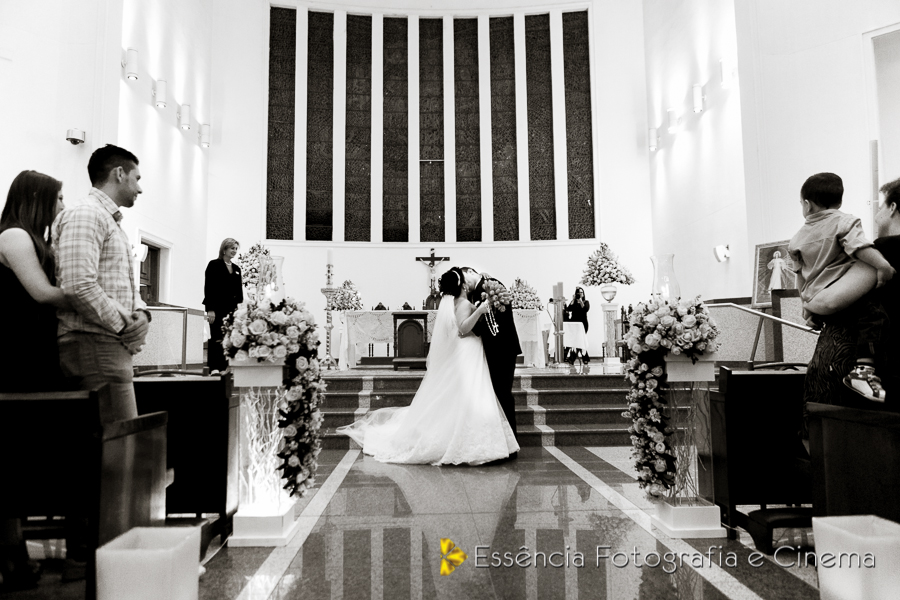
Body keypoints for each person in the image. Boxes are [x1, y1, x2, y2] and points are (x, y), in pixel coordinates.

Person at [337, 267, 519, 465]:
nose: (468, 284)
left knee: (469, 395)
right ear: (462, 284)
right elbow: (463, 329)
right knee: (471, 394)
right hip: (469, 351)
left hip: (471, 352)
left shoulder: (458, 301)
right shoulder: (465, 303)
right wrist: (481, 310)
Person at [0, 170, 72, 590]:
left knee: (21, 458)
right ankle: (11, 554)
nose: (62, 206)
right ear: (37, 198)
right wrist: (89, 293)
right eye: (58, 199)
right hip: (15, 356)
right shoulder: (13, 235)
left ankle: (16, 553)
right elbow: (42, 292)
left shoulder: (37, 237)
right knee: (11, 457)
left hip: (36, 353)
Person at [53, 144, 152, 423]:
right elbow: (79, 285)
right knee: (119, 439)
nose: (140, 188)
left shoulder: (109, 221)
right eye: (137, 178)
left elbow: (125, 285)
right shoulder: (86, 214)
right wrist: (125, 328)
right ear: (119, 174)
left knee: (123, 435)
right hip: (94, 342)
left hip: (107, 341)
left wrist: (142, 314)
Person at [788, 173, 894, 402]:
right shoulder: (845, 222)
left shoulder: (796, 239)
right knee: (875, 317)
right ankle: (863, 371)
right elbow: (859, 248)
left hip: (817, 300)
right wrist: (882, 265)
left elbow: (799, 276)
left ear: (807, 204)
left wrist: (806, 305)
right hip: (841, 296)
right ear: (840, 200)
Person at [463, 266, 521, 457]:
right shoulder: (476, 292)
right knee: (498, 394)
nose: (464, 284)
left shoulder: (491, 285)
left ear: (471, 272)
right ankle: (504, 442)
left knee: (503, 394)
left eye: (464, 278)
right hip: (495, 349)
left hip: (502, 348)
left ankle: (512, 444)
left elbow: (497, 318)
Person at [204, 238, 243, 375]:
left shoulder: (237, 269)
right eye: (232, 248)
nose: (234, 251)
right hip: (217, 308)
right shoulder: (214, 264)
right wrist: (210, 309)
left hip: (232, 310)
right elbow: (209, 288)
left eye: (236, 248)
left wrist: (240, 310)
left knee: (229, 338)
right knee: (216, 337)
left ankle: (226, 367)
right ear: (224, 249)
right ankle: (214, 367)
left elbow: (239, 291)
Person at [564, 286, 590, 364]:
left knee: (580, 339)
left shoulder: (586, 302)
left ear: (583, 294)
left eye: (581, 292)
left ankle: (572, 358)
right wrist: (573, 300)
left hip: (583, 324)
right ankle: (585, 358)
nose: (580, 294)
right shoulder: (574, 302)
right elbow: (568, 309)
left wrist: (581, 301)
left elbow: (585, 309)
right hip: (574, 324)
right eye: (578, 293)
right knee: (576, 340)